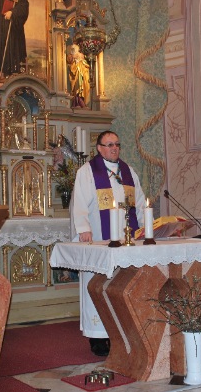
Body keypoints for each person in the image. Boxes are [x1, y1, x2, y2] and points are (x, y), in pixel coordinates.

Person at [70, 130, 146, 356]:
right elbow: (79, 202)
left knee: (120, 285)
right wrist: (83, 229)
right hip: (98, 239)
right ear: (99, 148)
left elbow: (139, 203)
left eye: (117, 144)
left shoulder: (128, 172)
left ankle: (120, 332)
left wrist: (145, 227)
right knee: (96, 284)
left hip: (126, 241)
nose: (114, 148)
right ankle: (97, 336)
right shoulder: (87, 172)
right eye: (109, 144)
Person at [67, 44, 91, 108]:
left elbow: (87, 66)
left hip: (83, 77)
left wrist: (81, 62)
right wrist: (76, 62)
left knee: (84, 88)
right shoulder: (73, 61)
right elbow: (72, 69)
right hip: (77, 77)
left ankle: (83, 102)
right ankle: (78, 102)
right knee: (77, 89)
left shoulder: (82, 59)